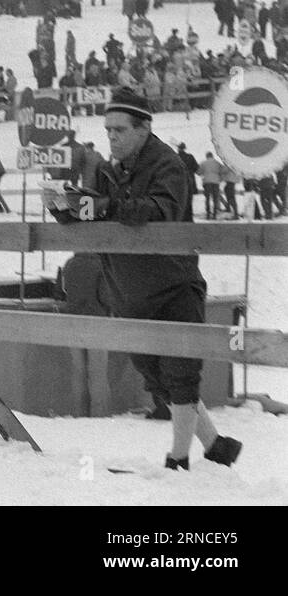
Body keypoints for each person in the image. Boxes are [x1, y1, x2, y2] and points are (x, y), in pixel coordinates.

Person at [43, 86, 241, 470]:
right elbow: (97, 214)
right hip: (129, 291)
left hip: (172, 286)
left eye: (119, 129)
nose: (112, 137)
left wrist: (107, 205)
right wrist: (66, 208)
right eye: (108, 130)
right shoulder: (104, 170)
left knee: (181, 375)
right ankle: (216, 446)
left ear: (143, 128)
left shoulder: (169, 165)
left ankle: (178, 459)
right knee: (159, 380)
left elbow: (162, 212)